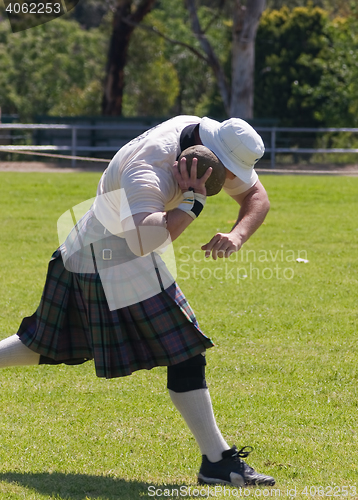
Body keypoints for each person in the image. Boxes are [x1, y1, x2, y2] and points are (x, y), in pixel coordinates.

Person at [0, 115, 274, 487]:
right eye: (227, 172)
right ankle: (217, 462)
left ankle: (216, 461)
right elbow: (144, 241)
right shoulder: (151, 167)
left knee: (43, 346)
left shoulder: (208, 142)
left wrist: (238, 235)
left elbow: (257, 197)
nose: (229, 181)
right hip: (108, 252)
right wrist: (193, 203)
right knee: (185, 350)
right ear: (209, 154)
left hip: (98, 246)